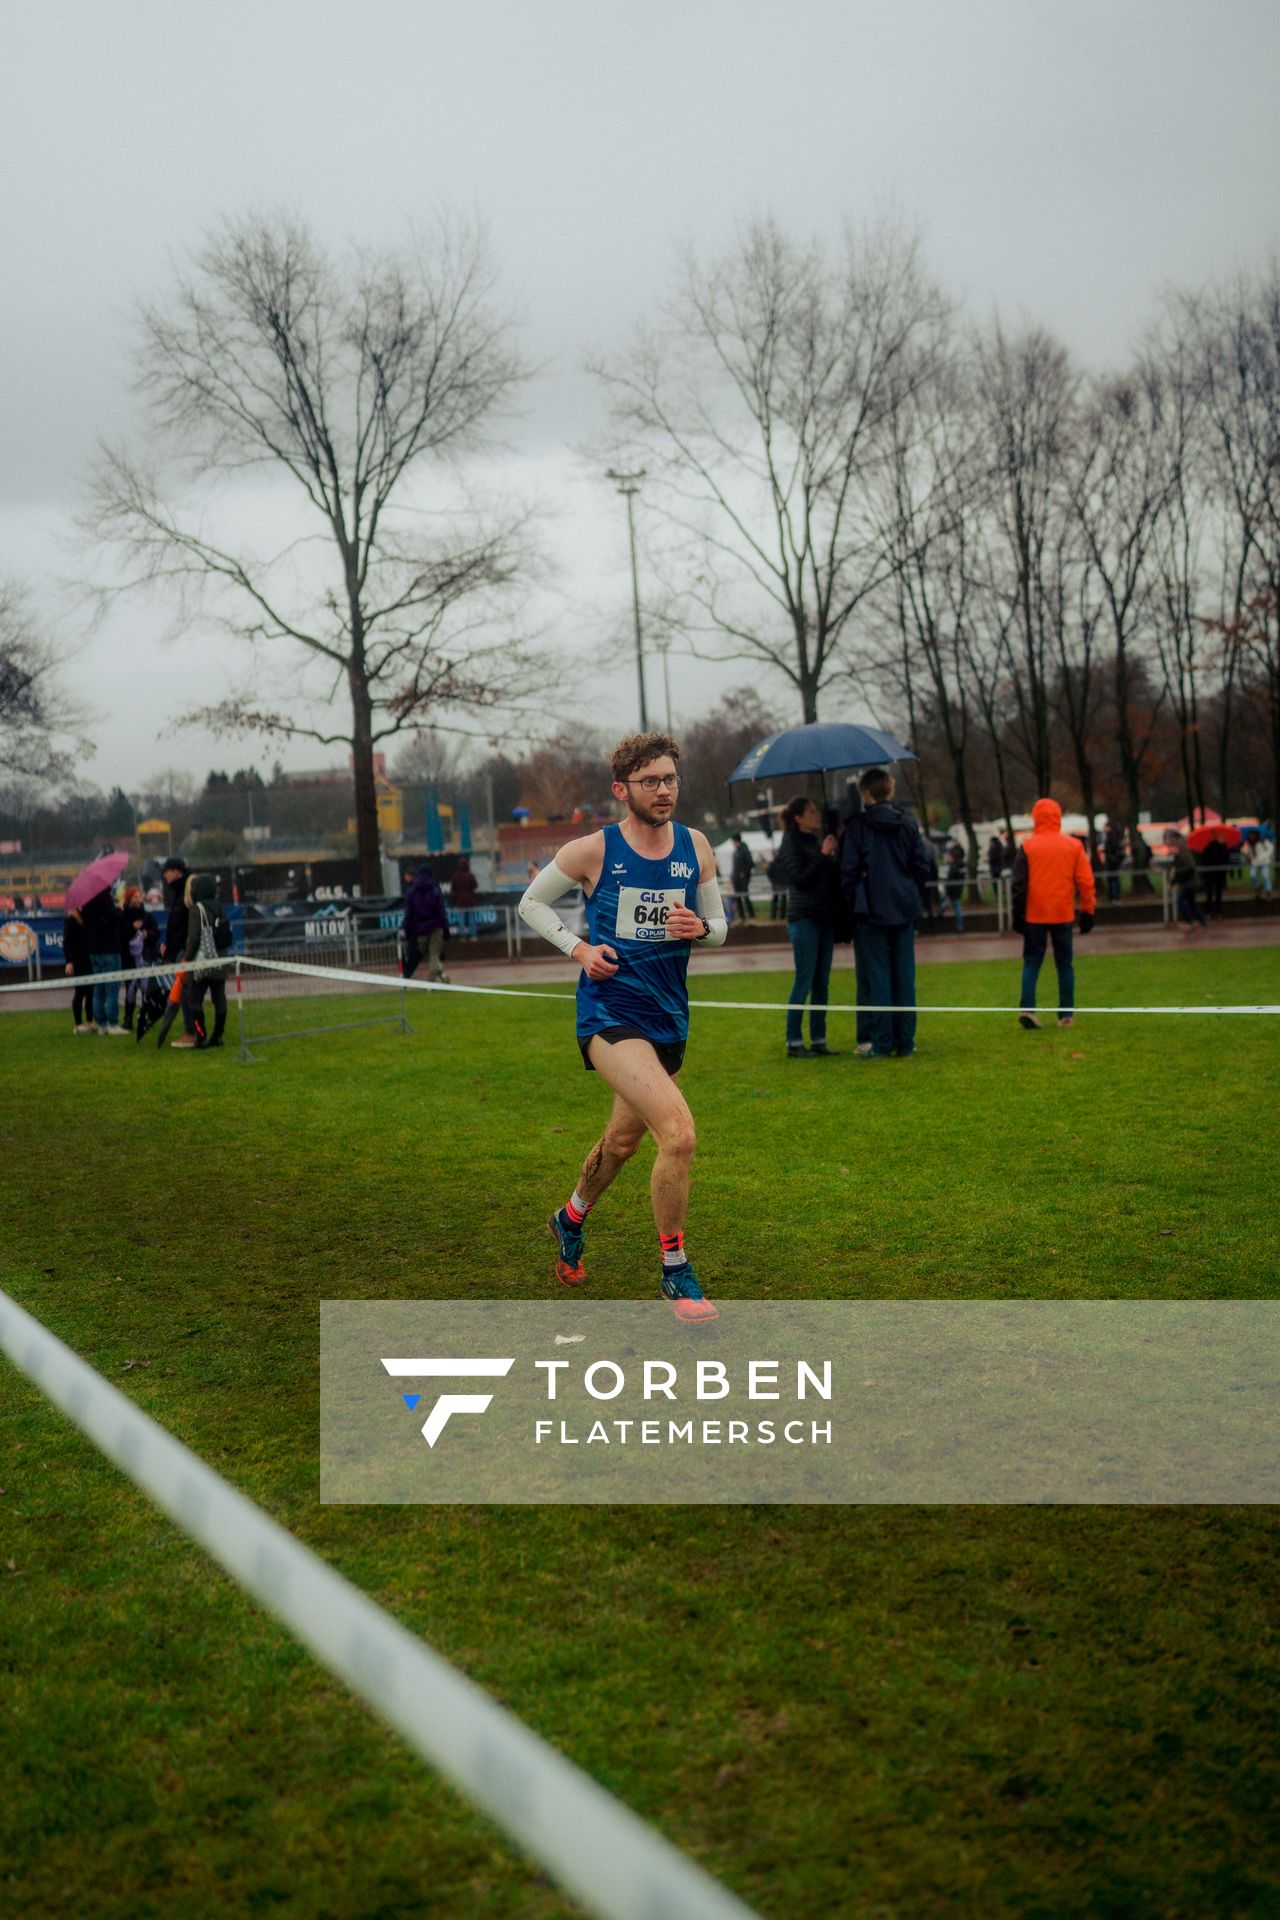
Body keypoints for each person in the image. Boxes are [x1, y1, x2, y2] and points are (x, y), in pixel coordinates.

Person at [518, 731, 727, 1323]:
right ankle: (675, 1270)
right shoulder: (594, 850)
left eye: (670, 779)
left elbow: (719, 925)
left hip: (668, 1018)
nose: (664, 791)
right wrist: (580, 950)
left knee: (622, 1143)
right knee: (678, 1134)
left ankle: (571, 1217)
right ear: (622, 790)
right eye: (651, 781)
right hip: (610, 1017)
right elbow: (531, 904)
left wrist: (700, 930)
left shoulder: (696, 845)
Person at [840, 767, 933, 1058]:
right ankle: (905, 1040)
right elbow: (922, 865)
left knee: (877, 978)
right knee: (905, 977)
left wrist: (854, 900)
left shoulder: (858, 827)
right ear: (890, 790)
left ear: (866, 793)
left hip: (871, 911)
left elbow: (848, 872)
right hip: (903, 908)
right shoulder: (907, 824)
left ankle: (881, 1041)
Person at [1010, 798, 1096, 1029]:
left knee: (1031, 963)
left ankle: (1027, 1008)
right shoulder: (1073, 846)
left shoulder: (1028, 846)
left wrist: (1017, 917)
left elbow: (1018, 885)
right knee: (1065, 965)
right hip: (1062, 913)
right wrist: (1088, 911)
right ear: (1058, 818)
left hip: (1034, 914)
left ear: (1035, 818)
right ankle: (1066, 1014)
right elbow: (1086, 882)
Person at [775, 796, 841, 1059]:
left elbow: (825, 877)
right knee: (804, 980)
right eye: (811, 812)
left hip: (823, 918)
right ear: (798, 818)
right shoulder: (791, 842)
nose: (817, 816)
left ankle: (819, 1038)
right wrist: (823, 856)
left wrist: (830, 858)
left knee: (821, 982)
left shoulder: (815, 841)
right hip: (804, 918)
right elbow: (799, 879)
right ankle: (793, 1040)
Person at [171, 872, 232, 1049]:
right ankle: (218, 1034)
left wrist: (186, 959)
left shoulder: (197, 909)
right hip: (220, 959)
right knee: (219, 997)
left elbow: (194, 938)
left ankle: (201, 1034)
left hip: (204, 961)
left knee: (193, 998)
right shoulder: (219, 907)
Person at [82, 882, 127, 1036]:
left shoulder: (86, 900)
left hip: (93, 950)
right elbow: (113, 919)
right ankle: (112, 1023)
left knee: (98, 989)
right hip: (109, 948)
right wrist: (120, 910)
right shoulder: (104, 898)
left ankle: (101, 1024)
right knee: (112, 988)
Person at [120, 885, 160, 1032]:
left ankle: (145, 1016)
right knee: (130, 988)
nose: (137, 900)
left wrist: (147, 934)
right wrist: (132, 927)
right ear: (129, 899)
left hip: (145, 957)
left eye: (139, 896)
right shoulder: (123, 916)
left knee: (146, 989)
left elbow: (156, 933)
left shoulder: (147, 916)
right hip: (129, 959)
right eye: (134, 897)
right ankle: (128, 1018)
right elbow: (120, 935)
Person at [402, 863, 450, 982]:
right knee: (434, 955)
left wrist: (407, 930)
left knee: (420, 955)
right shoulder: (435, 890)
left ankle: (409, 977)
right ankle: (433, 980)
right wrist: (446, 929)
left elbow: (409, 914)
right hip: (435, 927)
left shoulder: (411, 891)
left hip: (420, 929)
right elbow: (441, 912)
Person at [62, 906, 94, 1034]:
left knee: (90, 991)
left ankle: (90, 1021)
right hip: (78, 960)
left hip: (89, 958)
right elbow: (66, 942)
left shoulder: (88, 917)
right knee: (80, 991)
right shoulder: (70, 920)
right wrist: (69, 961)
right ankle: (78, 1023)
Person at [1167, 832, 1206, 933]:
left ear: (1176, 847)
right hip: (1187, 883)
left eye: (1171, 848)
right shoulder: (1177, 857)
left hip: (1190, 884)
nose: (1170, 850)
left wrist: (1176, 872)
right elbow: (1176, 872)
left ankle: (1191, 921)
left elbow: (1189, 868)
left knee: (1180, 902)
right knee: (1191, 903)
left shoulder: (1184, 855)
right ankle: (1201, 921)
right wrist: (1171, 883)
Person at [159, 856, 190, 962]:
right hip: (177, 953)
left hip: (182, 955)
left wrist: (183, 950)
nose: (164, 875)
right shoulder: (179, 892)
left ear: (176, 872)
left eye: (166, 871)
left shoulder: (186, 893)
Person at [1200, 836, 1230, 919]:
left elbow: (1226, 859)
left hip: (1217, 875)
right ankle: (1211, 912)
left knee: (1216, 894)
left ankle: (1215, 912)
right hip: (1212, 874)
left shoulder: (1223, 847)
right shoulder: (1210, 847)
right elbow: (1205, 860)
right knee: (1212, 893)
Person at [729, 833, 755, 920]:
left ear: (736, 841)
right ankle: (742, 918)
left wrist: (743, 872)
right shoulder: (735, 851)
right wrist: (732, 876)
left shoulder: (745, 850)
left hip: (743, 880)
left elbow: (751, 863)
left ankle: (751, 917)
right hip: (736, 879)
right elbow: (735, 866)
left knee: (746, 897)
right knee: (738, 898)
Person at [943, 842, 965, 931]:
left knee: (956, 907)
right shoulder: (960, 864)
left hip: (953, 891)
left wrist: (948, 892)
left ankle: (960, 926)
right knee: (954, 906)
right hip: (957, 890)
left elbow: (950, 880)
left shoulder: (954, 866)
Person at [1103, 821, 1125, 904]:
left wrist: (1111, 857)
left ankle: (1113, 897)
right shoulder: (1115, 836)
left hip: (1112, 862)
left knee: (1113, 879)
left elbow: (1111, 850)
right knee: (1114, 879)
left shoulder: (1111, 837)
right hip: (1114, 861)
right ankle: (1114, 897)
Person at [1249, 831, 1273, 901]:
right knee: (1252, 876)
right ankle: (1258, 890)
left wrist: (1261, 857)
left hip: (1265, 863)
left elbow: (1270, 851)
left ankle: (1268, 893)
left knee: (1265, 877)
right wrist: (1251, 854)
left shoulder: (1267, 843)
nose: (1251, 836)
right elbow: (1251, 854)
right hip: (1255, 863)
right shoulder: (1253, 843)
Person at [765, 845, 787, 920]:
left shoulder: (776, 863)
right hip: (778, 884)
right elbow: (769, 873)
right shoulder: (779, 863)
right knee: (778, 900)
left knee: (779, 901)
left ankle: (777, 916)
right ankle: (778, 916)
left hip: (779, 884)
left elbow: (769, 873)